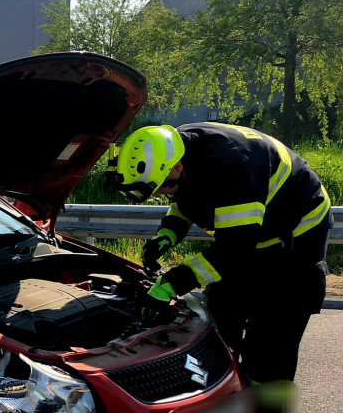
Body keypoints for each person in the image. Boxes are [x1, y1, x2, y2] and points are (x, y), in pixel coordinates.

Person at [111, 122, 331, 386]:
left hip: (294, 249)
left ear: (176, 167)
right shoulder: (179, 148)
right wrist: (166, 235)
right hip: (251, 238)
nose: (161, 194)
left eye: (163, 188)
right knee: (219, 323)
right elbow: (187, 198)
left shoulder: (232, 167)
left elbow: (235, 248)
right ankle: (227, 395)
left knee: (269, 352)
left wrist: (172, 284)